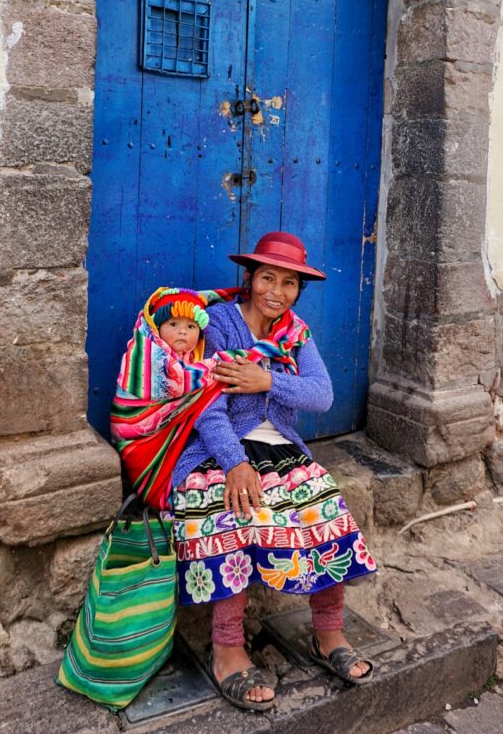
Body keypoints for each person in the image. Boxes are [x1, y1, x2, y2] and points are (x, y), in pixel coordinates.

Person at [171, 232, 377, 712]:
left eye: (289, 283)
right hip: (214, 449)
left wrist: (267, 379)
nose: (276, 291)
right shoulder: (219, 325)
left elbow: (321, 395)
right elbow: (205, 404)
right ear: (250, 278)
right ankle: (226, 648)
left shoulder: (295, 333)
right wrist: (235, 464)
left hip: (280, 448)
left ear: (298, 290)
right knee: (235, 515)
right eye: (267, 277)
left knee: (323, 506)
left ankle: (328, 634)